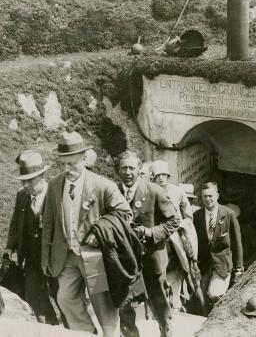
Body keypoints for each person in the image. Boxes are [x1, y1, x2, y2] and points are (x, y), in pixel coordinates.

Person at [41, 131, 132, 337]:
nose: (67, 169)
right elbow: (48, 223)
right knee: (65, 299)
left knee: (104, 306)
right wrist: (45, 256)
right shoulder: (55, 185)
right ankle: (86, 333)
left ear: (84, 159)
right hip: (65, 256)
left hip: (94, 258)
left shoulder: (102, 186)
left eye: (72, 164)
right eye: (63, 164)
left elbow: (125, 214)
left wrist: (100, 231)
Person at [117, 151, 180, 337]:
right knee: (125, 306)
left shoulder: (154, 191)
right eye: (123, 168)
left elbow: (174, 221)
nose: (128, 172)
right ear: (118, 170)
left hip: (152, 260)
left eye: (131, 168)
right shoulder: (112, 192)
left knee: (159, 305)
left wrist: (150, 232)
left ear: (139, 169)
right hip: (125, 262)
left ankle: (165, 333)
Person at [5, 150, 59, 325]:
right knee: (35, 299)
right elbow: (15, 223)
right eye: (23, 180)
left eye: (31, 180)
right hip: (31, 259)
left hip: (54, 258)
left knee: (63, 299)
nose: (27, 185)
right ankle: (50, 330)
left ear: (42, 175)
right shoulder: (22, 196)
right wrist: (9, 248)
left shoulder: (55, 194)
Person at [193, 182, 244, 315]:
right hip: (204, 265)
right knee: (202, 297)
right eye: (204, 196)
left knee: (214, 294)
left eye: (210, 196)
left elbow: (237, 243)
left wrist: (239, 268)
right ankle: (206, 322)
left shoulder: (228, 214)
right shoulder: (197, 216)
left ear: (217, 195)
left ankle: (219, 315)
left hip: (222, 264)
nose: (208, 199)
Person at [151, 160, 195, 312]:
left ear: (168, 176)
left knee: (180, 266)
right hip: (156, 237)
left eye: (164, 175)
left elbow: (188, 216)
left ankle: (177, 301)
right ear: (153, 178)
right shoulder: (149, 192)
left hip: (175, 237)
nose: (161, 178)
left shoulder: (177, 192)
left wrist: (180, 225)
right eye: (157, 175)